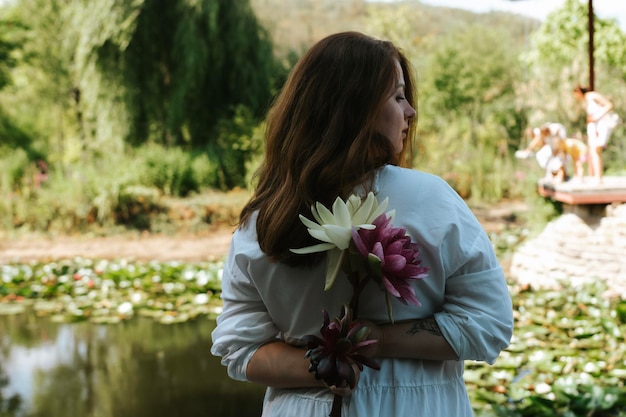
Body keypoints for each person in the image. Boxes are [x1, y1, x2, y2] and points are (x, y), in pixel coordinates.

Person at [211, 32, 513, 417]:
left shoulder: (261, 219)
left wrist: (327, 364)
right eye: (398, 97)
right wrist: (372, 342)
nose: (411, 113)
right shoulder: (430, 199)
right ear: (357, 108)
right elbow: (488, 325)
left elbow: (241, 349)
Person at [573, 85, 618, 182]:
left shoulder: (592, 96)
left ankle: (599, 177)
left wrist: (597, 117)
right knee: (594, 151)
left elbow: (609, 105)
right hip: (594, 127)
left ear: (579, 92)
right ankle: (598, 177)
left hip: (601, 125)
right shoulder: (585, 101)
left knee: (596, 149)